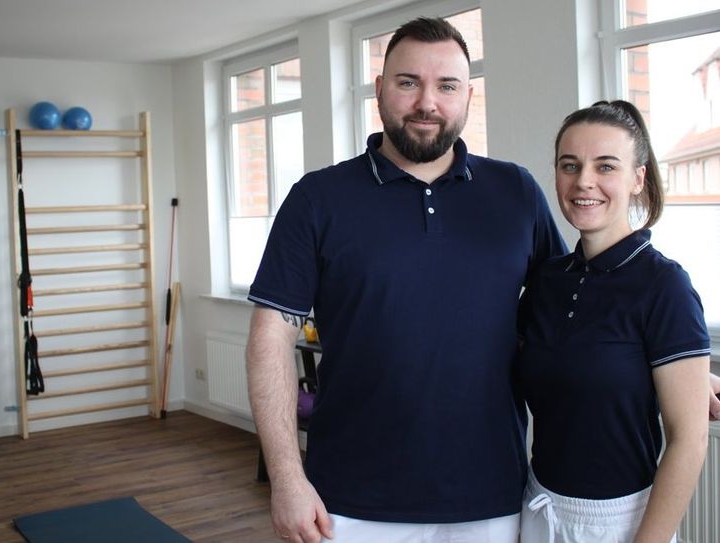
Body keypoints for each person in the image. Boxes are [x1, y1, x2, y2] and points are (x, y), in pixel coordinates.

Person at [246, 16, 567, 543]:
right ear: (380, 89)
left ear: (468, 95)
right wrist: (286, 479)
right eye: (407, 82)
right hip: (347, 503)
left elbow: (571, 311)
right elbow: (270, 337)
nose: (427, 103)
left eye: (447, 86)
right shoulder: (317, 199)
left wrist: (670, 367)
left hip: (491, 496)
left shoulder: (516, 192)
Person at [517, 100, 711, 543]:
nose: (584, 181)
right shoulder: (547, 282)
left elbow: (690, 440)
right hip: (539, 508)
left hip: (623, 523)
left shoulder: (664, 285)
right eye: (570, 165)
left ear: (637, 178)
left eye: (606, 166)